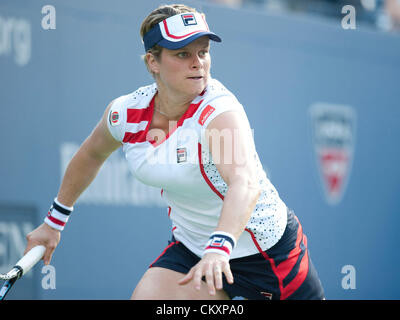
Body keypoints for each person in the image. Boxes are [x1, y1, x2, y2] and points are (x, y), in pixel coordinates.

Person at [24, 4, 325, 300]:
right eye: (183, 54)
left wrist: (219, 247)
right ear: (153, 62)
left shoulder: (219, 111)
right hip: (193, 250)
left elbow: (244, 183)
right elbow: (91, 154)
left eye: (203, 51)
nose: (198, 63)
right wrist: (54, 223)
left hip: (268, 256)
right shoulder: (126, 113)